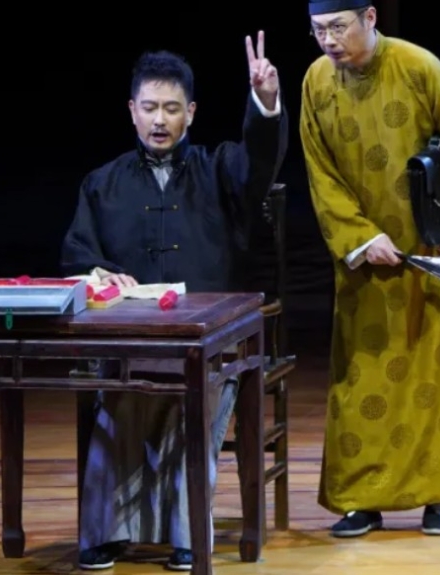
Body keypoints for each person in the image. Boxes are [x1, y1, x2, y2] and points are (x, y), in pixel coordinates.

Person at [62, 41, 287, 571]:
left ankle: (189, 535)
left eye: (170, 108)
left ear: (191, 112)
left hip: (211, 346)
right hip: (132, 345)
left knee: (196, 401)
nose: (159, 120)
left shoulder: (220, 170)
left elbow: (259, 162)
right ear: (132, 111)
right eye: (149, 108)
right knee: (119, 404)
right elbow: (77, 254)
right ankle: (105, 533)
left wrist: (264, 102)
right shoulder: (103, 183)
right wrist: (98, 273)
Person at [298, 0, 440, 538]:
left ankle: (438, 497)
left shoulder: (419, 68)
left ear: (370, 18)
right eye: (318, 30)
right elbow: (320, 172)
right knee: (362, 381)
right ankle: (362, 499)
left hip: (435, 251)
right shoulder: (316, 81)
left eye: (339, 27)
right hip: (368, 260)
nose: (329, 40)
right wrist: (359, 237)